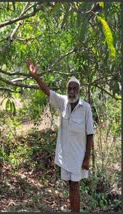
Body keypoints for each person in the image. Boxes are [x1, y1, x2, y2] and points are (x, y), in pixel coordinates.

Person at [26, 59, 94, 212]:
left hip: (78, 156)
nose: (71, 92)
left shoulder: (86, 108)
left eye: (74, 89)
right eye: (69, 89)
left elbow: (90, 134)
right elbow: (47, 91)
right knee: (70, 186)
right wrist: (35, 76)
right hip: (67, 155)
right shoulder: (63, 102)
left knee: (75, 187)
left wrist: (86, 158)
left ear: (79, 90)